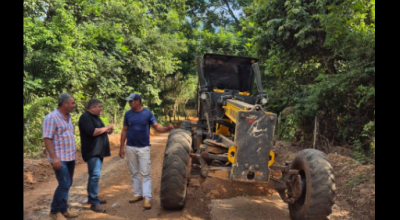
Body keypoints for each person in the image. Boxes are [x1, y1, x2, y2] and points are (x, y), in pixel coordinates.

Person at [119, 93, 174, 210]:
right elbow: (124, 131)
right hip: (130, 147)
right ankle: (138, 194)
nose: (129, 103)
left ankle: (147, 198)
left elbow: (157, 127)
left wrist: (166, 129)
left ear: (138, 101)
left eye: (131, 101)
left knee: (145, 174)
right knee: (133, 172)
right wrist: (121, 147)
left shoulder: (147, 114)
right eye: (128, 101)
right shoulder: (128, 114)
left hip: (143, 148)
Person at [43, 93, 78, 220]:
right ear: (65, 104)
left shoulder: (68, 117)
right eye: (72, 103)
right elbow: (47, 138)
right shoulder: (51, 118)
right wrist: (54, 157)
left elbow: (56, 136)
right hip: (59, 157)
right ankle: (54, 211)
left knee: (68, 184)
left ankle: (63, 210)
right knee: (64, 183)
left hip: (70, 156)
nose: (74, 105)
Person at [78, 99, 114, 213]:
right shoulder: (85, 117)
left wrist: (108, 131)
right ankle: (94, 203)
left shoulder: (96, 118)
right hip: (92, 152)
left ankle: (92, 198)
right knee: (94, 176)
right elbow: (92, 132)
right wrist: (106, 128)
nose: (101, 108)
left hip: (98, 151)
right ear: (92, 108)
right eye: (99, 106)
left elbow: (100, 130)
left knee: (93, 175)